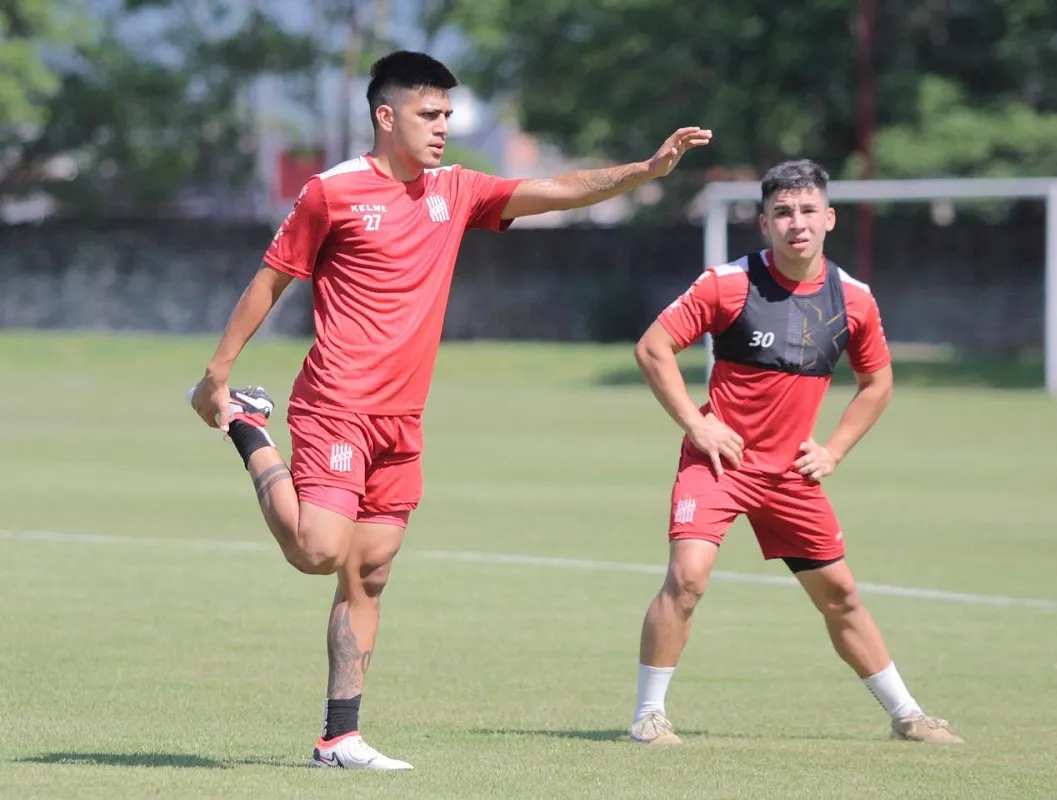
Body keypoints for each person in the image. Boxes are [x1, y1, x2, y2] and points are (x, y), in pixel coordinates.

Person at [186, 49, 711, 770]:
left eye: (447, 115)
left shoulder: (456, 189)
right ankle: (251, 426)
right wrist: (218, 377)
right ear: (385, 115)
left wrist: (643, 171)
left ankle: (339, 738)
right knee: (316, 551)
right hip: (337, 403)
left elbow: (555, 188)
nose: (442, 127)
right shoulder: (332, 192)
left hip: (403, 419)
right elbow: (271, 280)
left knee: (369, 574)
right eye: (429, 114)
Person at [627, 158, 963, 746]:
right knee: (688, 579)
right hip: (720, 465)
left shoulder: (854, 300)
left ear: (829, 219)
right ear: (763, 223)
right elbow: (653, 348)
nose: (796, 223)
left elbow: (878, 382)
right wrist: (696, 426)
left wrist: (832, 450)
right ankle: (649, 717)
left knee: (841, 595)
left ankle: (908, 716)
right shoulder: (726, 284)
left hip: (790, 476)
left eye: (808, 211)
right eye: (782, 212)